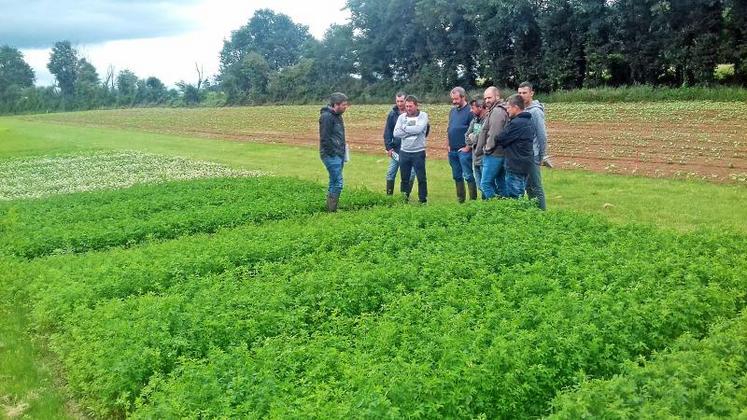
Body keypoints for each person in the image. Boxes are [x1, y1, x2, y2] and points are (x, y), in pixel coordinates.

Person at [496, 94, 535, 198]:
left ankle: (519, 213)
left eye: (508, 107)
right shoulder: (528, 121)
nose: (507, 110)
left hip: (515, 164)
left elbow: (500, 138)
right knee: (520, 192)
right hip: (525, 163)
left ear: (516, 107)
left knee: (515, 196)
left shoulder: (517, 123)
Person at [517, 82, 549, 210]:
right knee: (528, 186)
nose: (521, 96)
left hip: (533, 155)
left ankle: (542, 214)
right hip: (523, 155)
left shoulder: (535, 112)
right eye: (519, 93)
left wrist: (540, 156)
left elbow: (542, 136)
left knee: (536, 186)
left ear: (531, 93)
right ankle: (533, 212)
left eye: (524, 93)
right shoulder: (522, 110)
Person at [393, 95, 429, 204]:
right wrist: (410, 130)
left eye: (410, 106)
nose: (408, 108)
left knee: (421, 178)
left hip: (418, 152)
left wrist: (404, 128)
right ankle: (404, 199)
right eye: (407, 106)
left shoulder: (423, 116)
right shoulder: (402, 117)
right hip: (404, 152)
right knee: (404, 178)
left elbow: (419, 129)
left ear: (416, 105)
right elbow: (396, 133)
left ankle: (422, 200)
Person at [319, 92, 349, 212]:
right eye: (343, 105)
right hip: (332, 155)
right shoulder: (327, 117)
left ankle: (331, 208)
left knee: (333, 181)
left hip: (339, 153)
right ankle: (332, 210)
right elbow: (325, 138)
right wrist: (332, 153)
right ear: (335, 105)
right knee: (338, 183)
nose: (346, 107)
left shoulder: (338, 115)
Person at [478, 86, 509, 199]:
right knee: (501, 184)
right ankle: (507, 207)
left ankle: (494, 208)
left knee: (485, 184)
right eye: (485, 98)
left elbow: (494, 133)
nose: (487, 100)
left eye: (489, 97)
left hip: (495, 153)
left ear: (497, 96)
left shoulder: (497, 111)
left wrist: (487, 148)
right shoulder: (500, 109)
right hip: (501, 153)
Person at [446, 87, 475, 202]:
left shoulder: (470, 111)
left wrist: (468, 147)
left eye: (456, 99)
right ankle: (461, 201)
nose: (454, 101)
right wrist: (448, 144)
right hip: (452, 150)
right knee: (457, 176)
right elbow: (449, 128)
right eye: (452, 99)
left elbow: (474, 131)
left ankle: (472, 201)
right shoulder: (452, 111)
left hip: (464, 151)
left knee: (468, 176)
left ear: (463, 97)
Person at [383, 92, 415, 195]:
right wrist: (389, 148)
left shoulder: (413, 114)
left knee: (410, 175)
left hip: (410, 150)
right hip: (396, 150)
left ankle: (405, 197)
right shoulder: (392, 114)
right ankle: (389, 196)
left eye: (401, 101)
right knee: (390, 173)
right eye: (397, 101)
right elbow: (387, 132)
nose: (399, 103)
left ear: (406, 101)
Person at [465, 99, 486, 198]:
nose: (471, 111)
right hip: (475, 158)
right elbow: (467, 135)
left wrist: (473, 138)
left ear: (480, 107)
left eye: (472, 108)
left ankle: (489, 206)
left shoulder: (487, 120)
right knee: (481, 186)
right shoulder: (474, 120)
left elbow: (482, 137)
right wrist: (473, 141)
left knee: (486, 185)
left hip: (484, 158)